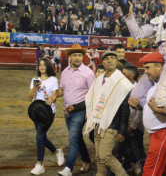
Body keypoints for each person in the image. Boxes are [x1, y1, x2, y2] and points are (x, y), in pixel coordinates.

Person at [131, 52, 166, 175]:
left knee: (150, 170)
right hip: (157, 132)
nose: (145, 72)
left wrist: (157, 110)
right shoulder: (153, 87)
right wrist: (139, 105)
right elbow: (150, 107)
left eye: (148, 67)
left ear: (159, 67)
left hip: (164, 131)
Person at [84, 51, 134, 176]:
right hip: (98, 124)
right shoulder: (98, 80)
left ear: (117, 62)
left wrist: (122, 130)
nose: (110, 60)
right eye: (106, 58)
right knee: (99, 158)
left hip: (112, 125)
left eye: (113, 58)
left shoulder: (122, 83)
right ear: (102, 62)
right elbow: (91, 100)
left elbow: (124, 108)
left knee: (105, 156)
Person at [49, 43, 95, 176]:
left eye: (79, 55)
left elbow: (93, 94)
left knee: (73, 137)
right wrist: (54, 95)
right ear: (70, 56)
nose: (77, 58)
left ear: (83, 57)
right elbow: (62, 90)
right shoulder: (65, 72)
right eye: (74, 55)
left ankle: (69, 168)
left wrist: (89, 112)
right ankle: (86, 161)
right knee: (77, 138)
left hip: (80, 111)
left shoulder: (88, 73)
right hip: (66, 111)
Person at [29, 58, 64, 175]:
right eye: (40, 65)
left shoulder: (53, 80)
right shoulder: (34, 79)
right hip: (36, 113)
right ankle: (56, 151)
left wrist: (51, 99)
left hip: (48, 112)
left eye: (44, 65)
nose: (42, 67)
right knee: (41, 136)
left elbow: (55, 95)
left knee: (39, 136)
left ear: (48, 66)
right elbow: (30, 97)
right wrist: (35, 87)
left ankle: (40, 164)